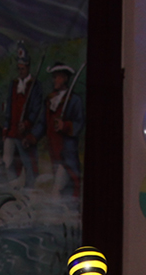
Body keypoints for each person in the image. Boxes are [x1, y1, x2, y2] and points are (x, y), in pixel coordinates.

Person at [3, 45, 44, 186]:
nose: (20, 71)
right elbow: (9, 106)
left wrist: (27, 123)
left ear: (28, 67)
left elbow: (36, 109)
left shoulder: (35, 86)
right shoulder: (13, 84)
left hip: (25, 133)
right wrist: (6, 127)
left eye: (23, 68)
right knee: (7, 161)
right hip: (12, 131)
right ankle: (12, 186)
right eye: (19, 68)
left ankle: (30, 188)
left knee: (28, 162)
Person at [46, 62, 83, 198]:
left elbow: (79, 124)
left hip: (66, 154)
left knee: (57, 190)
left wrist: (65, 126)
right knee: (63, 192)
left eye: (58, 77)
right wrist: (31, 136)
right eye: (54, 77)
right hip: (54, 152)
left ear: (65, 78)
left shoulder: (75, 100)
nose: (55, 80)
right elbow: (43, 123)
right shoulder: (50, 100)